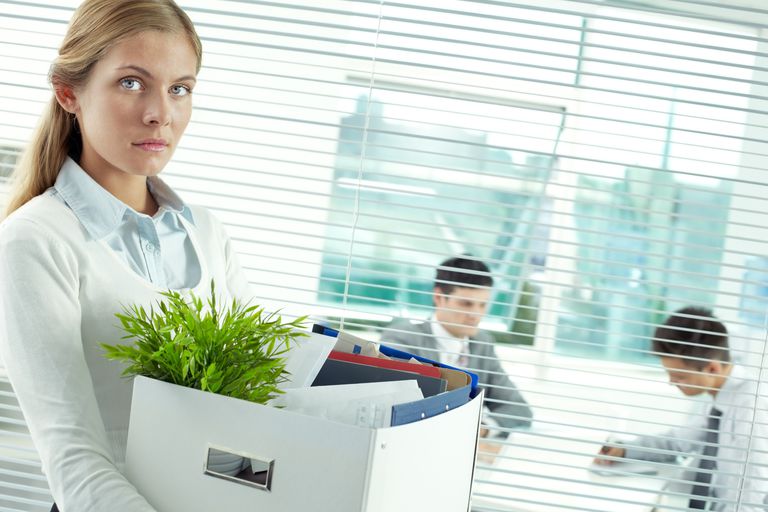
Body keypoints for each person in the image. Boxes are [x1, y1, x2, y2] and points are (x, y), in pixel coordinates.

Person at [0, 1, 252, 510]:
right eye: (132, 82)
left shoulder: (206, 233)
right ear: (69, 92)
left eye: (180, 88)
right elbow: (74, 458)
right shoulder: (35, 241)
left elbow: (253, 418)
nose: (161, 112)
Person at [593, 307, 768, 511]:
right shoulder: (718, 398)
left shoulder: (752, 405)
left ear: (712, 368)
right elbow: (678, 443)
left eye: (680, 376)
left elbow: (753, 488)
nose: (671, 381)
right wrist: (626, 449)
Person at [385, 255, 533, 439]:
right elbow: (402, 409)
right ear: (439, 298)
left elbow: (518, 409)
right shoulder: (403, 339)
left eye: (482, 305)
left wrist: (484, 428)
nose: (475, 314)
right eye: (466, 304)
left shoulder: (482, 345)